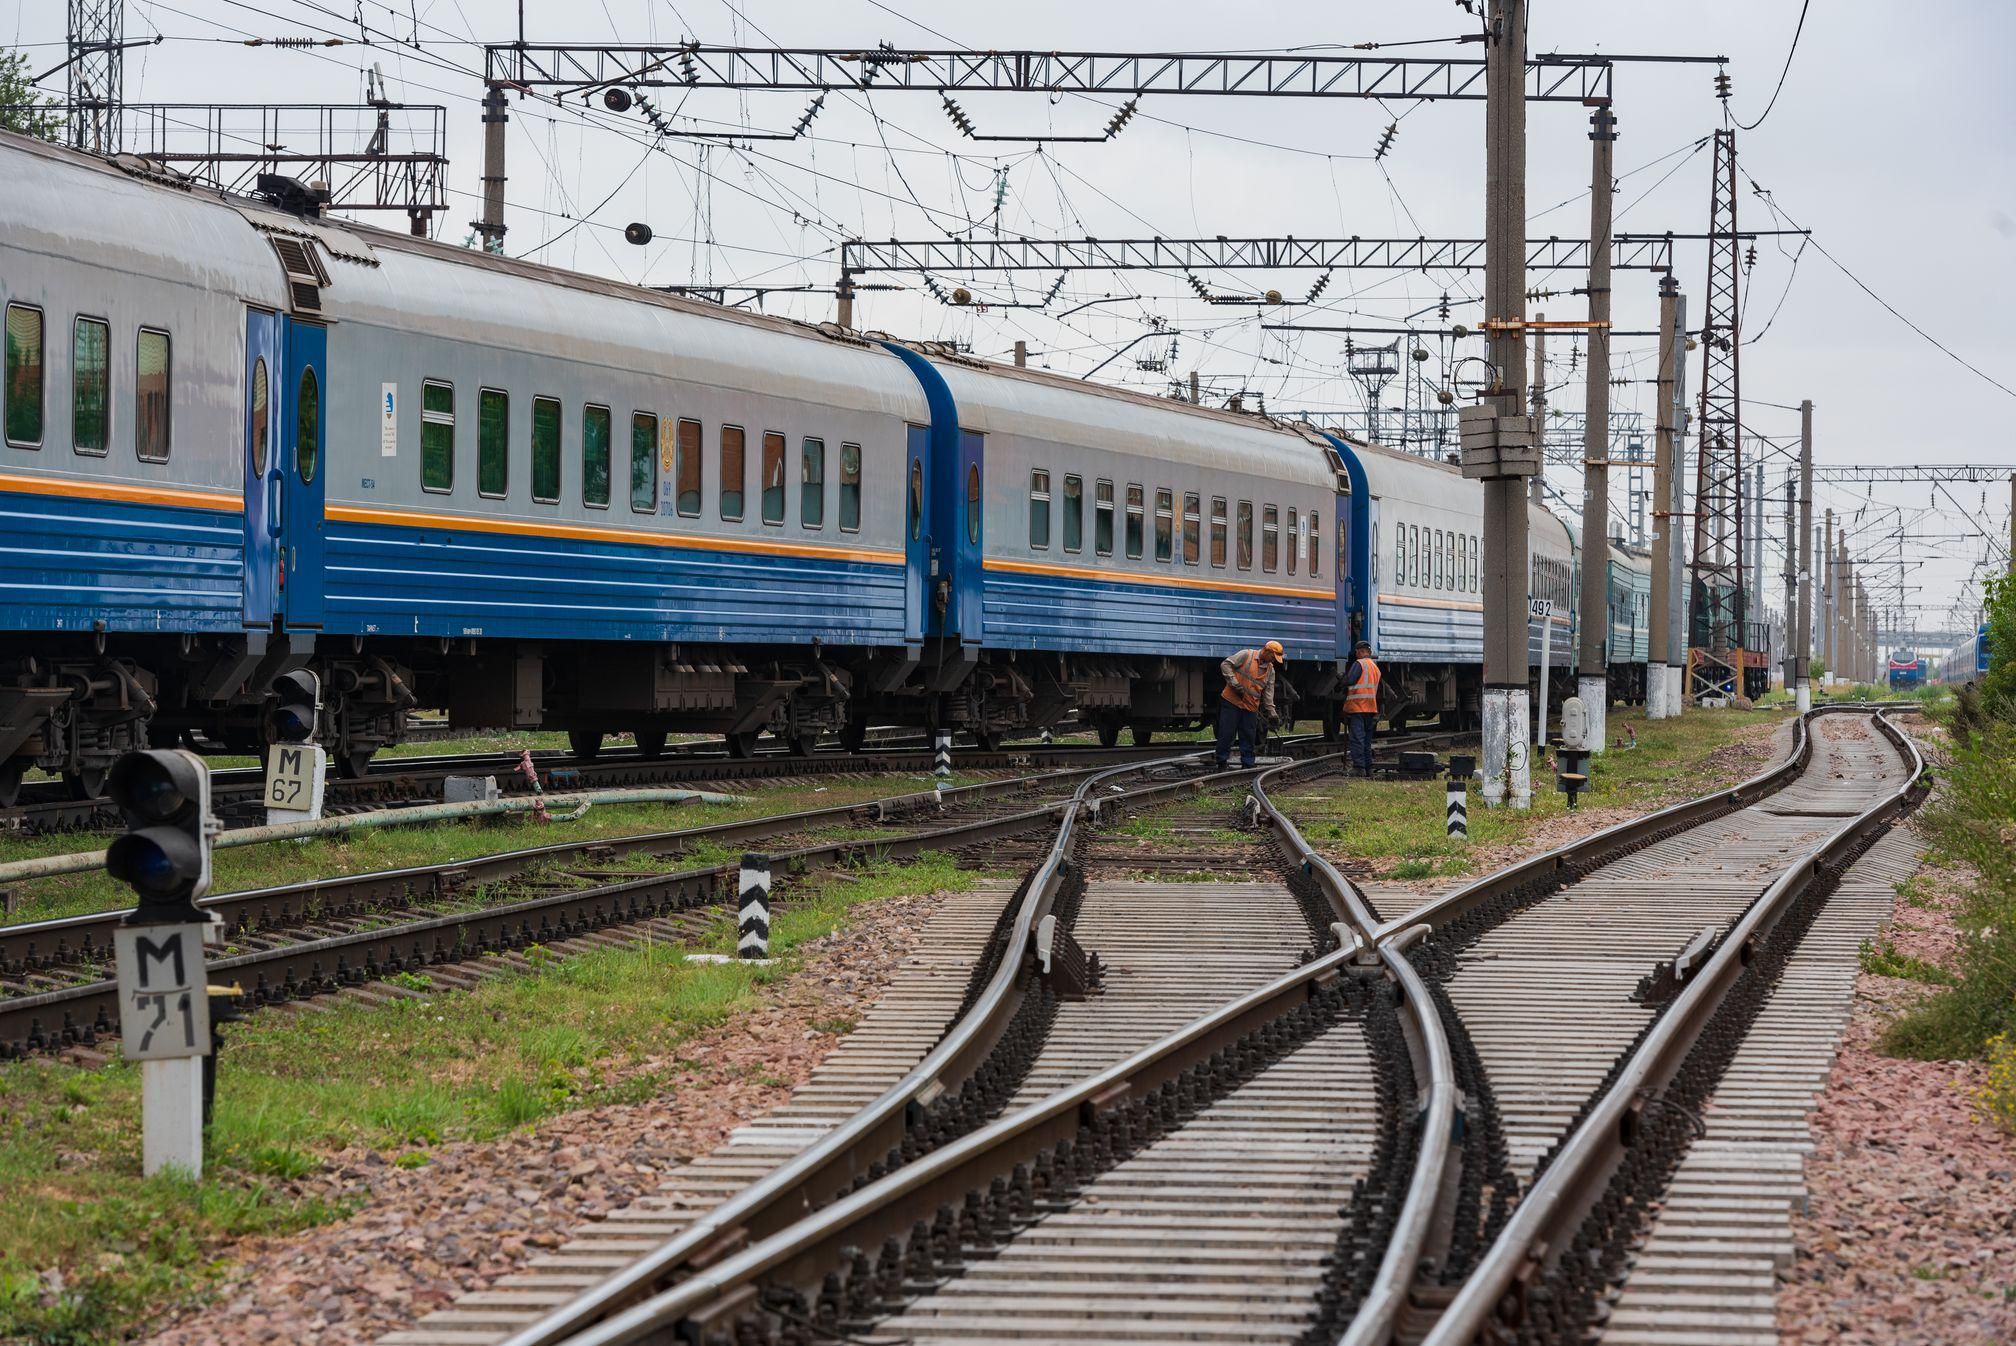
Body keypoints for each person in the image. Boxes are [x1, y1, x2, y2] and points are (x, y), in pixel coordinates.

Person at [1215, 641, 1284, 770]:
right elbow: (1226, 664)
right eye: (1273, 657)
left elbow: (1269, 692)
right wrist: (1234, 683)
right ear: (1267, 651)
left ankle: (1248, 765)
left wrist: (1272, 712)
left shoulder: (1270, 670)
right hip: (1232, 702)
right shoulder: (1246, 655)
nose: (1273, 661)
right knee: (1226, 734)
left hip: (1250, 707)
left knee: (1248, 737)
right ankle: (1221, 762)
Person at [1343, 640, 1381, 775]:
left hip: (1358, 706)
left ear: (1359, 651)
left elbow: (1350, 680)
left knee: (1357, 738)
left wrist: (1342, 678)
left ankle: (1359, 767)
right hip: (1371, 708)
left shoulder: (1359, 664)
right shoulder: (1375, 667)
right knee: (1366, 740)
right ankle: (1368, 767)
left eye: (1357, 652)